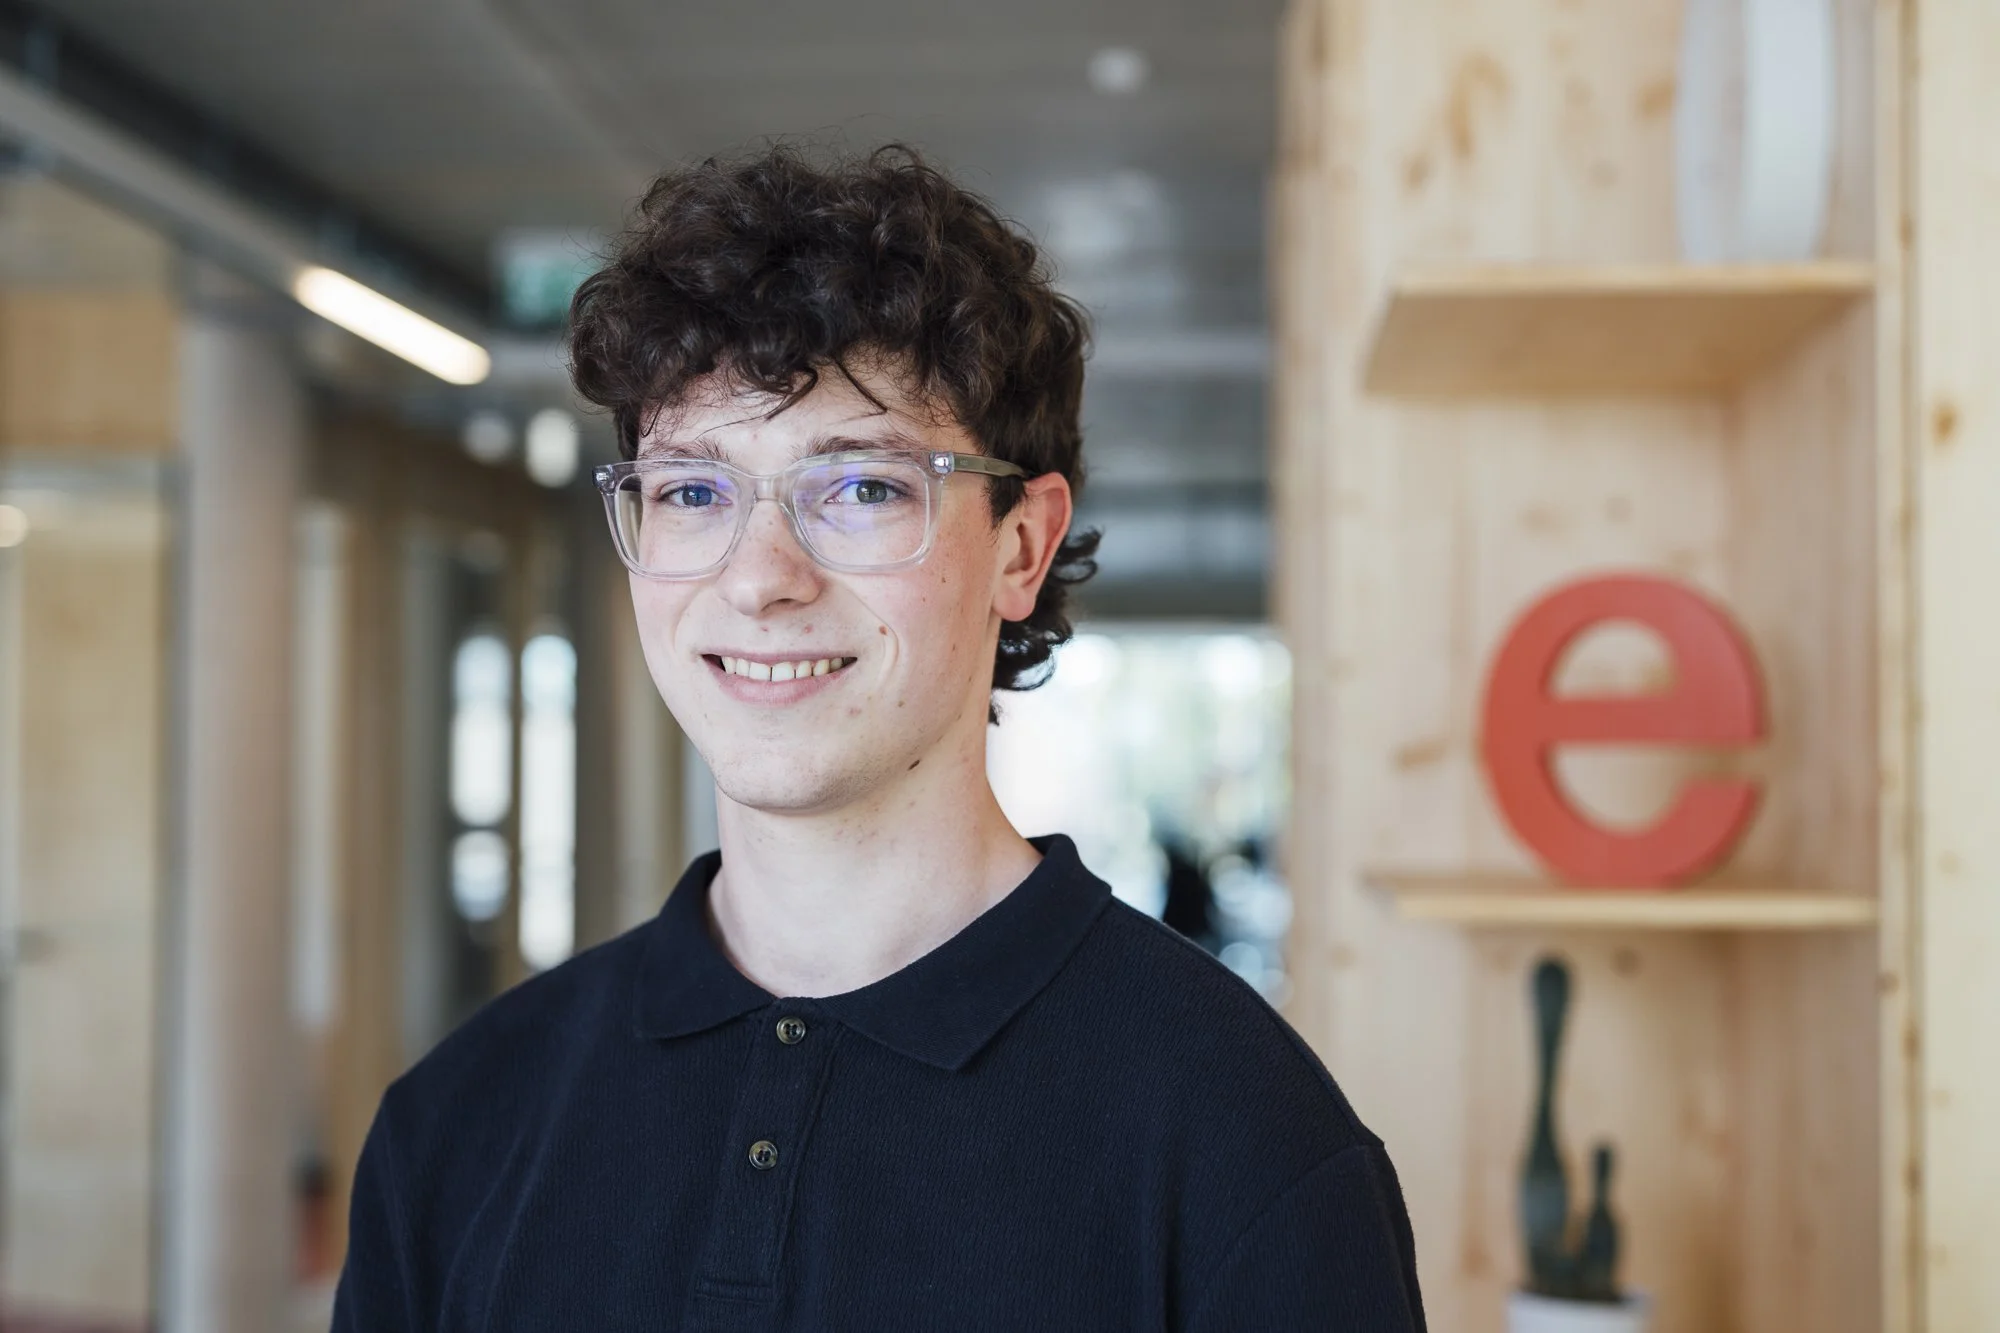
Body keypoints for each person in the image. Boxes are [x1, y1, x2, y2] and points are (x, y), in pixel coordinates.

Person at [332, 144, 1426, 1332]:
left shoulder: (1245, 1143)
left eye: (858, 488)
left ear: (1020, 544)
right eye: (693, 491)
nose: (758, 580)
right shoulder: (459, 1124)